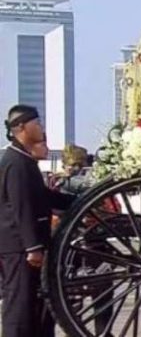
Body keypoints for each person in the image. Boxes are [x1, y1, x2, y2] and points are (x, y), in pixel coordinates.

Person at [0, 104, 76, 337]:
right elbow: (20, 207)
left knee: (33, 305)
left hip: (25, 245)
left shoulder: (24, 160)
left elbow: (43, 197)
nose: (41, 127)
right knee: (19, 306)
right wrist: (32, 246)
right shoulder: (15, 162)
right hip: (19, 247)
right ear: (21, 127)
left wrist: (78, 202)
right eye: (37, 123)